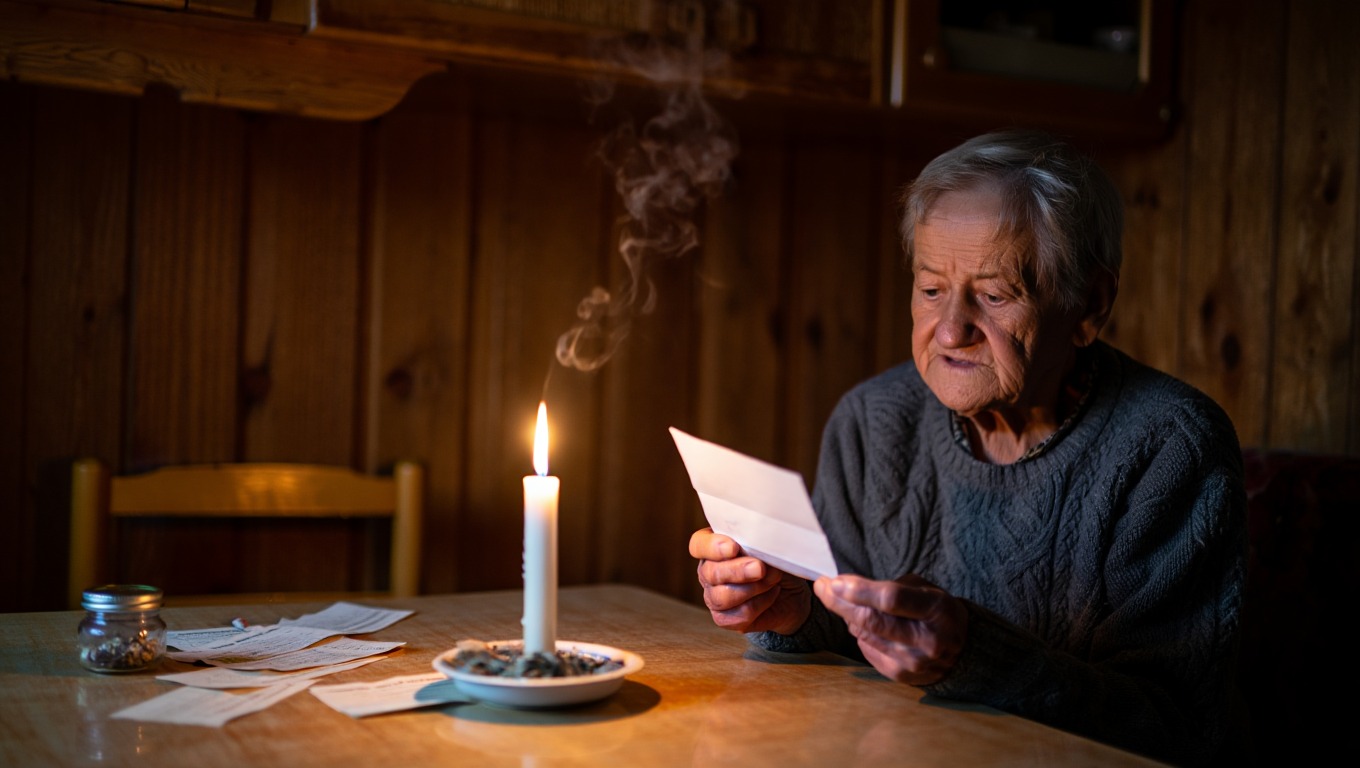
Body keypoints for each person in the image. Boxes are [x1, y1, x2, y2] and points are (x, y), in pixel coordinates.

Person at [689, 129, 1249, 767]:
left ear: (1089, 306)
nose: (951, 331)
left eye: (994, 294)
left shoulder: (1171, 447)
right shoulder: (873, 421)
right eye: (931, 290)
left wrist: (972, 657)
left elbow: (1177, 728)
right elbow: (843, 634)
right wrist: (790, 611)